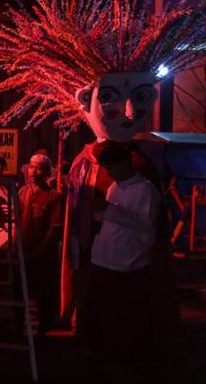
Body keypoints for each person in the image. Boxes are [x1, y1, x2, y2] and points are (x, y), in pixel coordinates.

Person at [86, 142, 160, 363]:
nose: (110, 173)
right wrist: (101, 212)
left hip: (128, 263)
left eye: (113, 168)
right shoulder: (115, 186)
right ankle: (104, 353)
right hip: (103, 258)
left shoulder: (145, 189)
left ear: (125, 164)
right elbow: (112, 216)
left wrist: (109, 210)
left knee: (123, 315)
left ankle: (125, 358)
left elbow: (145, 224)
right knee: (103, 312)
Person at [17, 153, 64, 337]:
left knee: (42, 294)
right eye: (31, 167)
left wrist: (39, 252)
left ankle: (43, 332)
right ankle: (17, 329)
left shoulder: (54, 197)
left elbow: (55, 229)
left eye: (38, 168)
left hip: (42, 255)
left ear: (46, 172)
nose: (33, 172)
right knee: (20, 292)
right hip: (22, 251)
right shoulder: (22, 192)